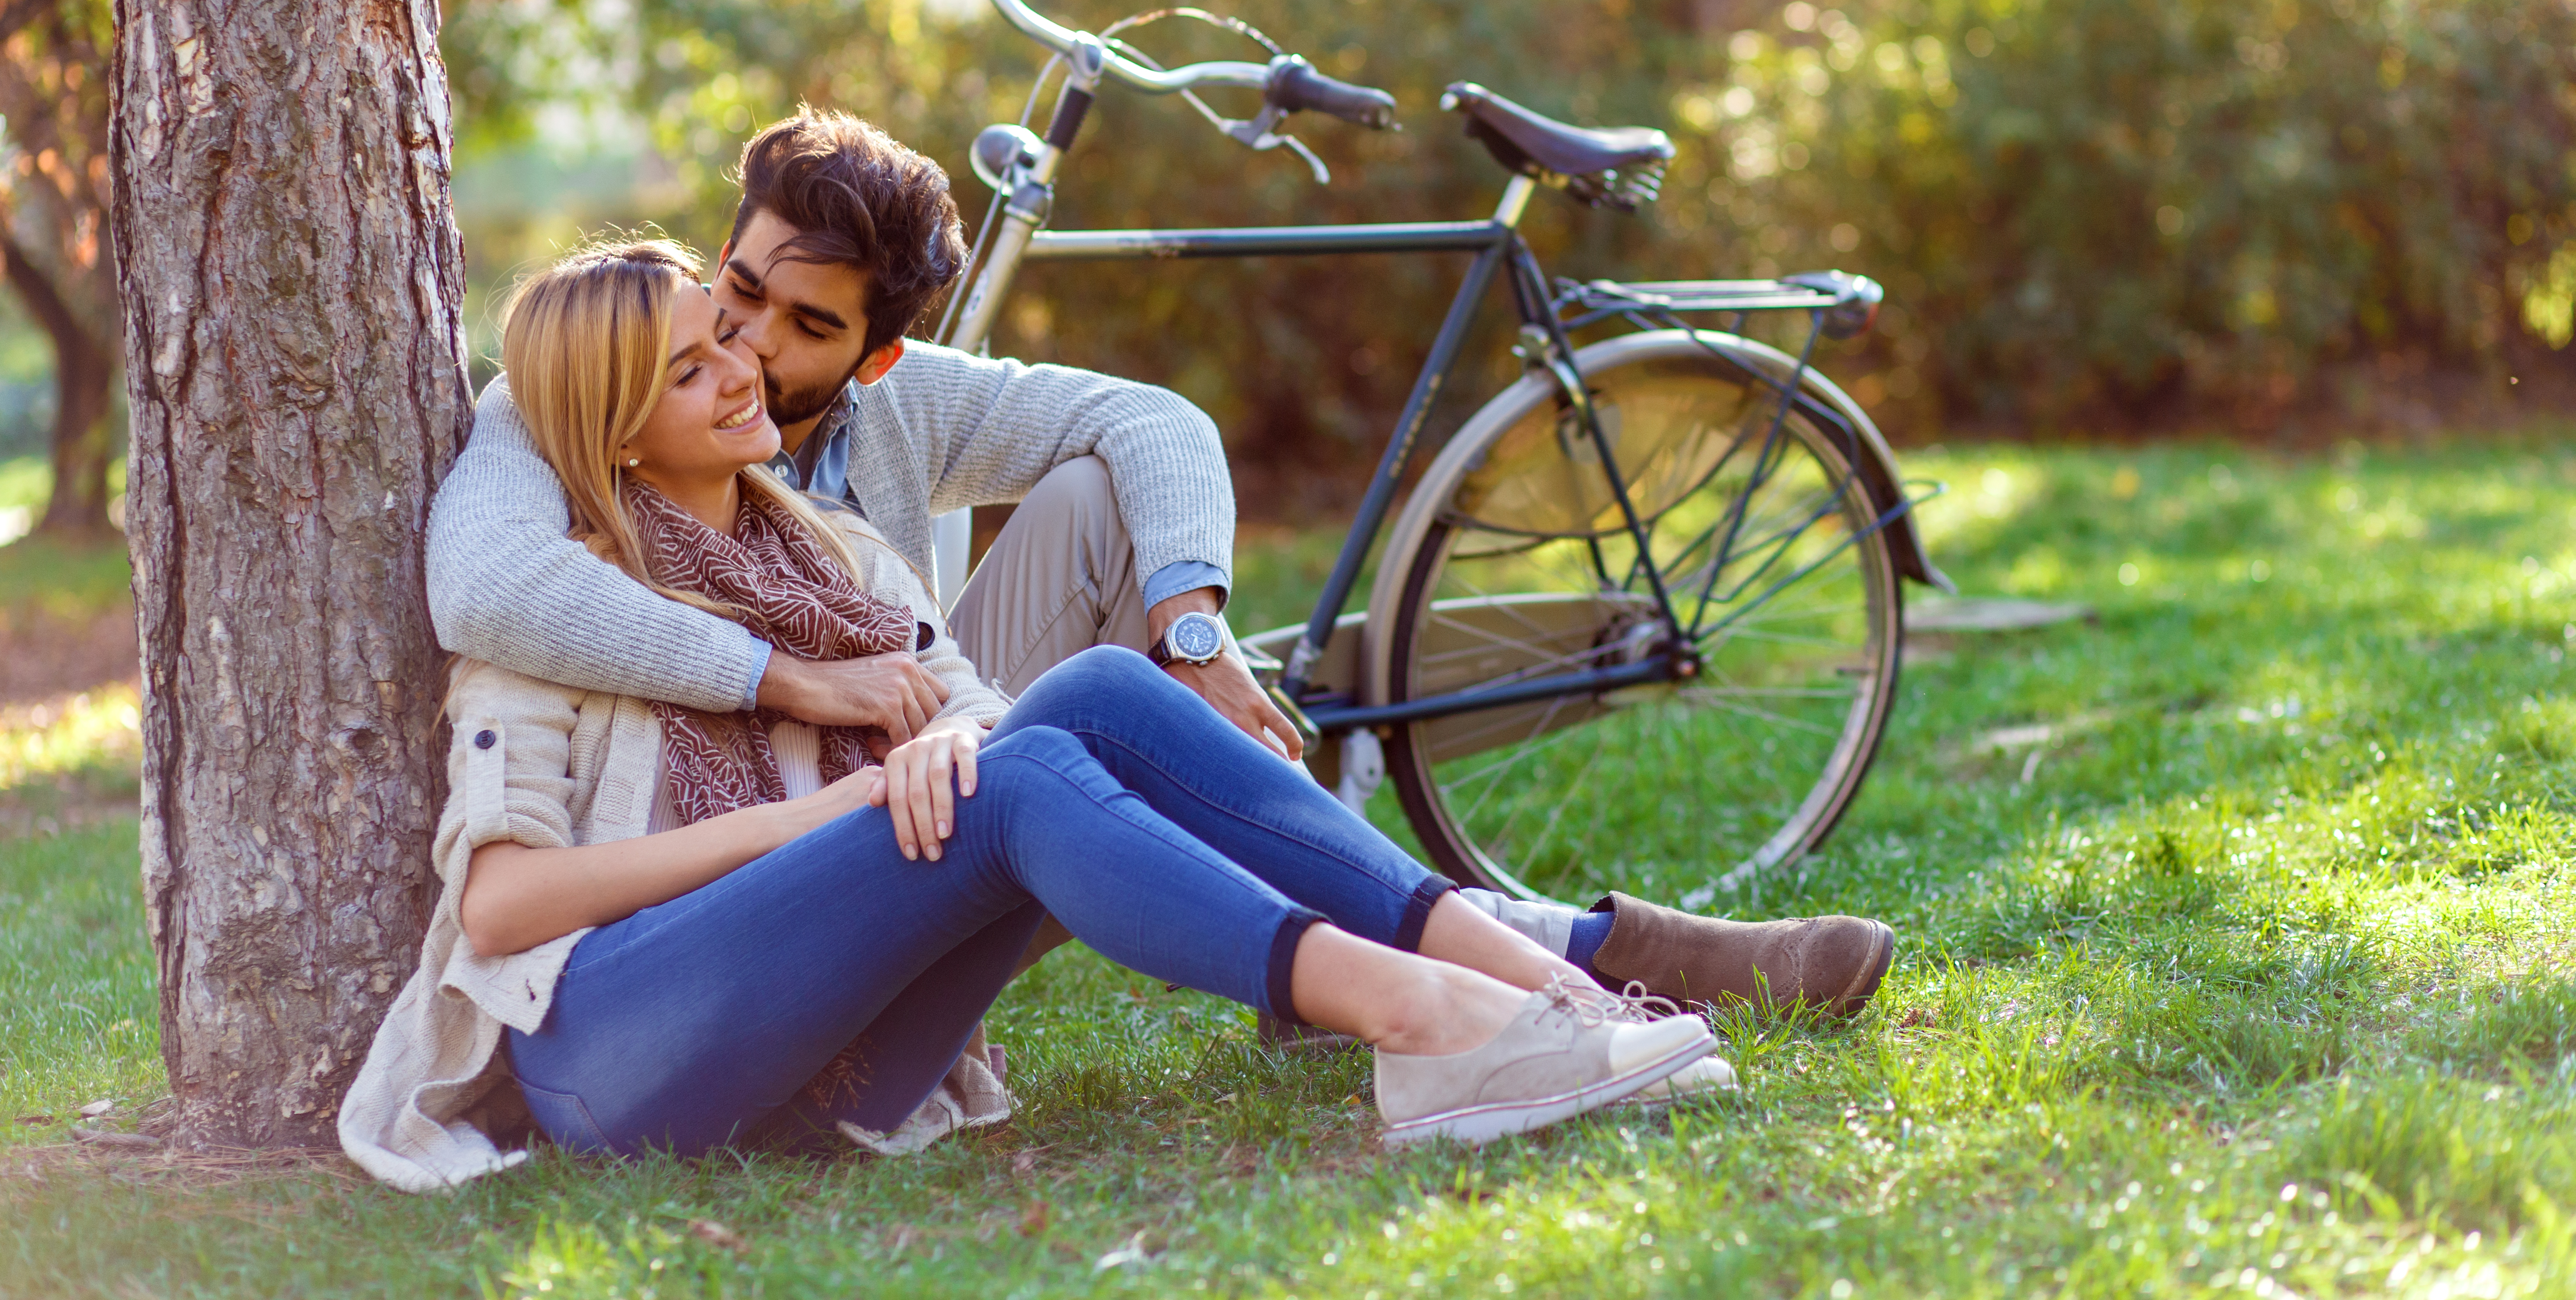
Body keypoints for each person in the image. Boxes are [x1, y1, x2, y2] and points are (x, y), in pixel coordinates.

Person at [423, 109, 1896, 1015]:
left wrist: (1196, 629)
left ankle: (1532, 954)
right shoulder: (598, 384)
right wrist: (795, 678)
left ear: (875, 352)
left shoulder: (895, 411)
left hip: (940, 763)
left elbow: (1155, 420)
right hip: (800, 853)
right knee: (1083, 723)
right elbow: (481, 591)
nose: (745, 346)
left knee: (1100, 518)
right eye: (739, 291)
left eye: (803, 328)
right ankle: (1538, 958)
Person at [339, 241, 1727, 1190]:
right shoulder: (564, 604)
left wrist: (952, 731)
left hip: (826, 1050)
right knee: (1010, 781)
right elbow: (505, 910)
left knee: (1097, 694)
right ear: (615, 430)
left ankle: (1548, 993)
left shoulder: (830, 555)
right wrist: (808, 821)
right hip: (610, 1062)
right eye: (692, 370)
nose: (745, 367)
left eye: (726, 339)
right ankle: (1425, 1025)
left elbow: (994, 711)